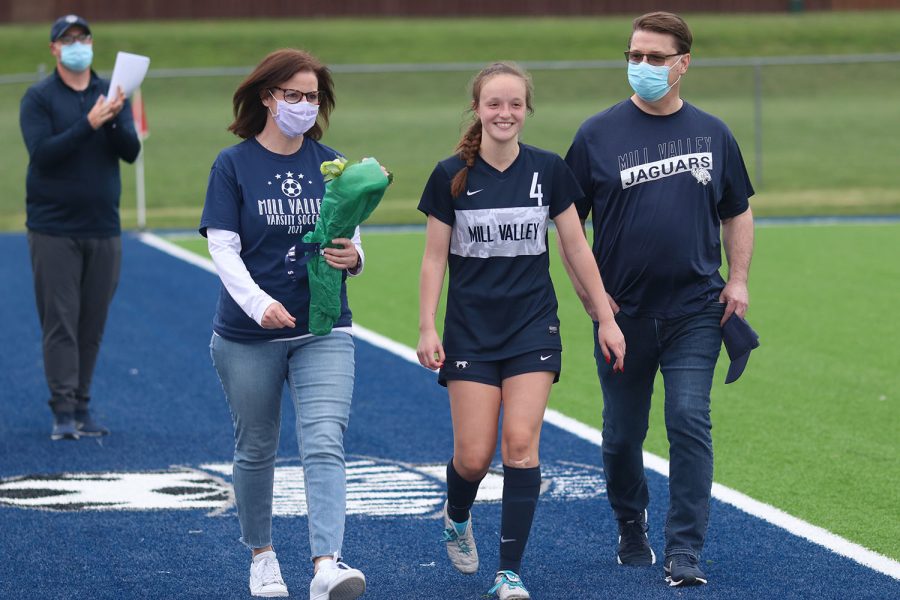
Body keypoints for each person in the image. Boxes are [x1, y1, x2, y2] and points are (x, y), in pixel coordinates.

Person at [417, 62, 626, 600]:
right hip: (470, 332)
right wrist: (426, 326)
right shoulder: (449, 177)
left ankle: (509, 572)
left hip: (533, 326)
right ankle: (457, 512)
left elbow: (577, 248)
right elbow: (434, 260)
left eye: (514, 104)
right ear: (478, 110)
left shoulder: (550, 171)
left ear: (527, 111)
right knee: (473, 456)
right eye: (494, 104)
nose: (504, 113)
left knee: (520, 444)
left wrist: (605, 317)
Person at [562, 11, 755, 587]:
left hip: (697, 308)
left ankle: (685, 550)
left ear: (683, 63)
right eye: (634, 55)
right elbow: (571, 235)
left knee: (689, 419)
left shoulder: (714, 133)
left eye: (654, 57)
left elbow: (737, 211)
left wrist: (738, 278)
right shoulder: (596, 135)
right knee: (622, 433)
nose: (641, 66)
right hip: (622, 315)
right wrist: (600, 312)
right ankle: (629, 521)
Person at [200, 49, 372, 600]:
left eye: (312, 96)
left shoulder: (335, 165)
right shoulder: (233, 165)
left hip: (324, 330)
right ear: (267, 97)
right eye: (292, 95)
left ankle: (326, 564)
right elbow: (223, 250)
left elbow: (350, 239)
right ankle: (263, 557)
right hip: (249, 335)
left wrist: (354, 258)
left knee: (325, 443)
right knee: (257, 447)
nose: (303, 105)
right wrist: (258, 304)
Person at [19, 14, 140, 441]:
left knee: (92, 322)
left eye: (82, 37)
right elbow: (44, 154)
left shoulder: (112, 93)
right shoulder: (38, 98)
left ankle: (84, 405)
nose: (76, 45)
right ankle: (62, 410)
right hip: (54, 228)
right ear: (54, 48)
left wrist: (110, 118)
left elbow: (130, 151)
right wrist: (87, 123)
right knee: (61, 321)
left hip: (103, 227)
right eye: (67, 39)